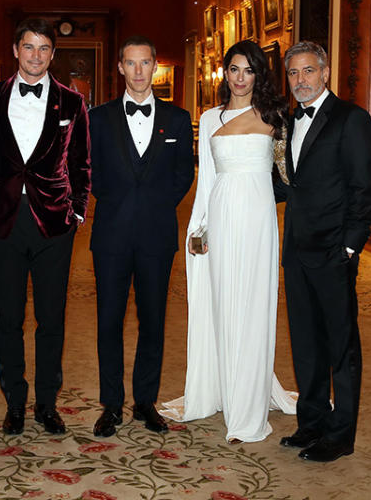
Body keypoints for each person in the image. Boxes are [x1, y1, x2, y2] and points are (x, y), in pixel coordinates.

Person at [161, 40, 296, 444]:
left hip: (257, 221)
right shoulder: (209, 117)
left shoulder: (275, 117)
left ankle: (248, 402)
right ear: (225, 73)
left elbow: (289, 177)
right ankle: (218, 385)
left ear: (259, 75)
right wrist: (198, 229)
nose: (240, 78)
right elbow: (207, 183)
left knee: (253, 303)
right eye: (234, 70)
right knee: (221, 301)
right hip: (219, 217)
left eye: (248, 71)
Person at [0, 17, 91, 436]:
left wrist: (77, 212)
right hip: (4, 220)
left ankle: (47, 403)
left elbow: (81, 163)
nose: (36, 56)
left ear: (52, 55)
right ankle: (14, 403)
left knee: (51, 319)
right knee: (8, 317)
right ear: (15, 50)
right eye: (29, 47)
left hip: (55, 223)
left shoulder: (72, 102)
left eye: (44, 49)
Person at [275, 41, 371, 462]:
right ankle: (311, 422)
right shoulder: (286, 120)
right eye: (294, 73)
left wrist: (351, 246)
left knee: (340, 345)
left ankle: (340, 436)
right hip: (296, 249)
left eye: (308, 72)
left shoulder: (351, 119)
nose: (300, 81)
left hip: (335, 250)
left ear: (325, 72)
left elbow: (363, 188)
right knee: (305, 342)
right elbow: (285, 184)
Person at [89, 36, 194, 438]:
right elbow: (89, 170)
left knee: (153, 321)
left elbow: (184, 172)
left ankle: (145, 402)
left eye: (144, 63)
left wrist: (155, 203)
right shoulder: (97, 119)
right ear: (119, 67)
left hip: (156, 235)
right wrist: (116, 199)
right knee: (108, 322)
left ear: (155, 66)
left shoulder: (179, 119)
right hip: (111, 235)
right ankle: (111, 405)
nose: (137, 71)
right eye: (130, 63)